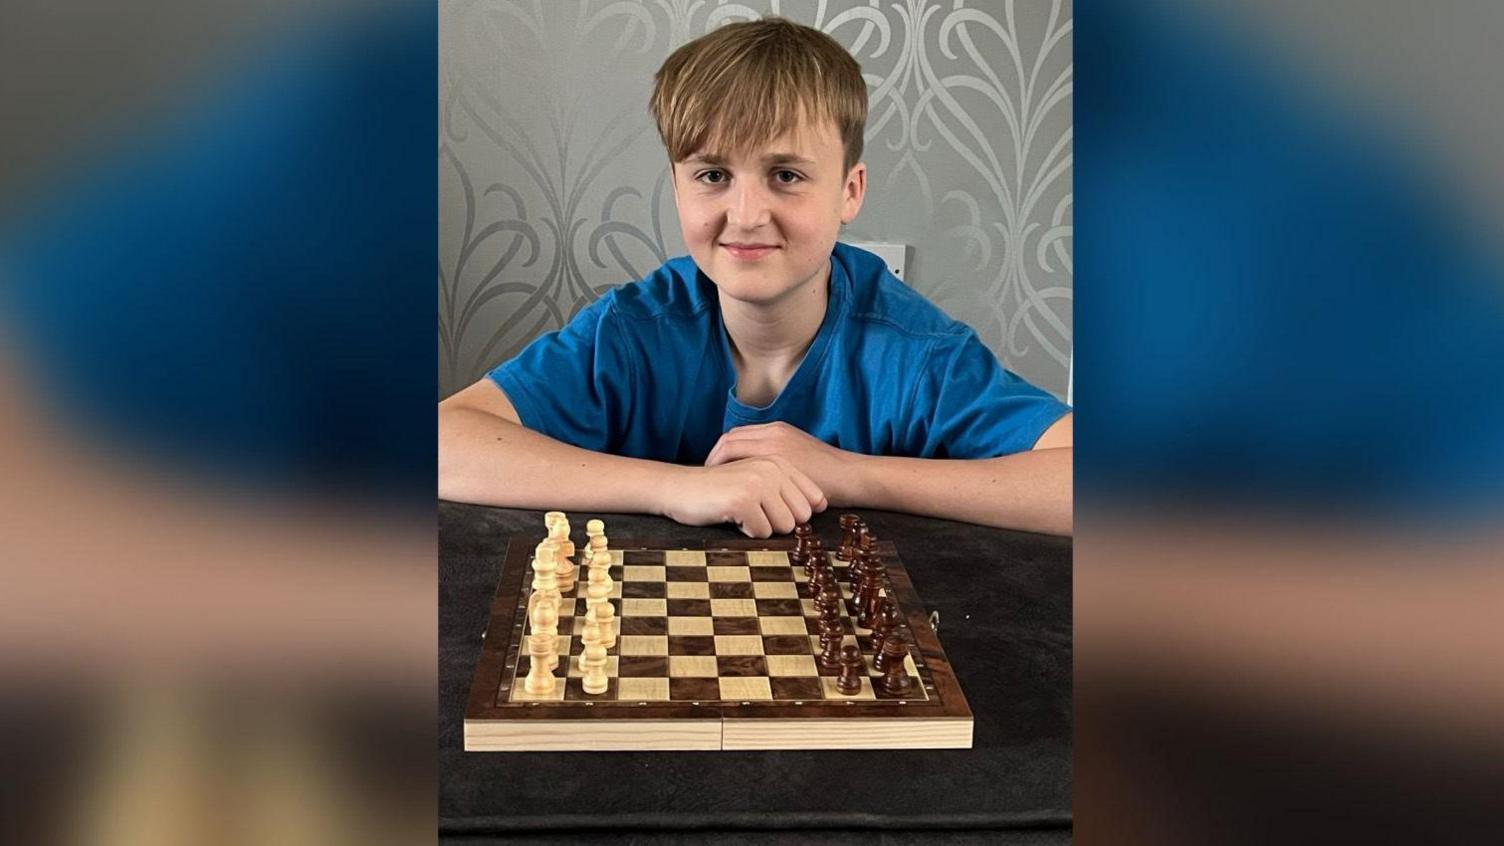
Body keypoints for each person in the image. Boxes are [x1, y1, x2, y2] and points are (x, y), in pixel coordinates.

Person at [438, 17, 1072, 537]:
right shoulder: (632, 330)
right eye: (713, 175)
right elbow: (445, 440)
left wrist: (848, 473)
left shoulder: (917, 353)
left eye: (787, 176)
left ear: (850, 191)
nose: (744, 217)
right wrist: (679, 488)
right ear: (678, 188)